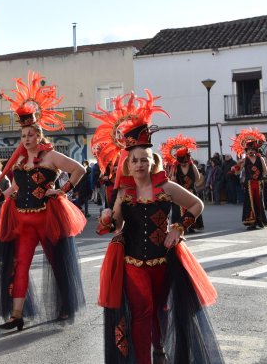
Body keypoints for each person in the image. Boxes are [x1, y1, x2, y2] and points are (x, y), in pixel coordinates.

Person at [93, 90, 223, 364]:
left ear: (153, 162)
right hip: (131, 261)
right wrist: (107, 215)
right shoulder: (124, 193)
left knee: (161, 309)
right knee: (141, 310)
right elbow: (115, 226)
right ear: (128, 163)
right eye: (135, 159)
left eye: (144, 159)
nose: (139, 164)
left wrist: (178, 228)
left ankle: (159, 347)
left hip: (164, 259)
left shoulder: (166, 187)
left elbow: (197, 205)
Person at [0, 71, 87, 331]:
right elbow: (17, 186)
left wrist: (61, 190)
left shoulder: (52, 156)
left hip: (48, 217)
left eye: (30, 134)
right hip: (23, 217)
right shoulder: (19, 161)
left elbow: (79, 170)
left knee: (56, 262)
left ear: (39, 135)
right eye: (23, 136)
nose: (26, 139)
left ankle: (65, 305)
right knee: (21, 265)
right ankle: (16, 315)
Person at [162, 134, 204, 233]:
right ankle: (179, 227)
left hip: (191, 190)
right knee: (178, 210)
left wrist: (192, 182)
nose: (184, 164)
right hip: (179, 191)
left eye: (186, 162)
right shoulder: (175, 167)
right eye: (182, 163)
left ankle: (192, 226)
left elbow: (198, 178)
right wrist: (173, 179)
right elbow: (171, 180)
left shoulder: (192, 166)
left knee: (192, 207)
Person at [231, 128, 267, 230]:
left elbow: (265, 171)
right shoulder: (244, 160)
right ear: (246, 151)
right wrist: (236, 167)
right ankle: (251, 222)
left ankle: (259, 221)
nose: (251, 151)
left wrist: (262, 177)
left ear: (256, 150)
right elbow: (238, 172)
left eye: (252, 149)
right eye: (249, 150)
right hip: (249, 185)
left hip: (259, 184)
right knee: (249, 202)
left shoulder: (260, 159)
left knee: (258, 202)